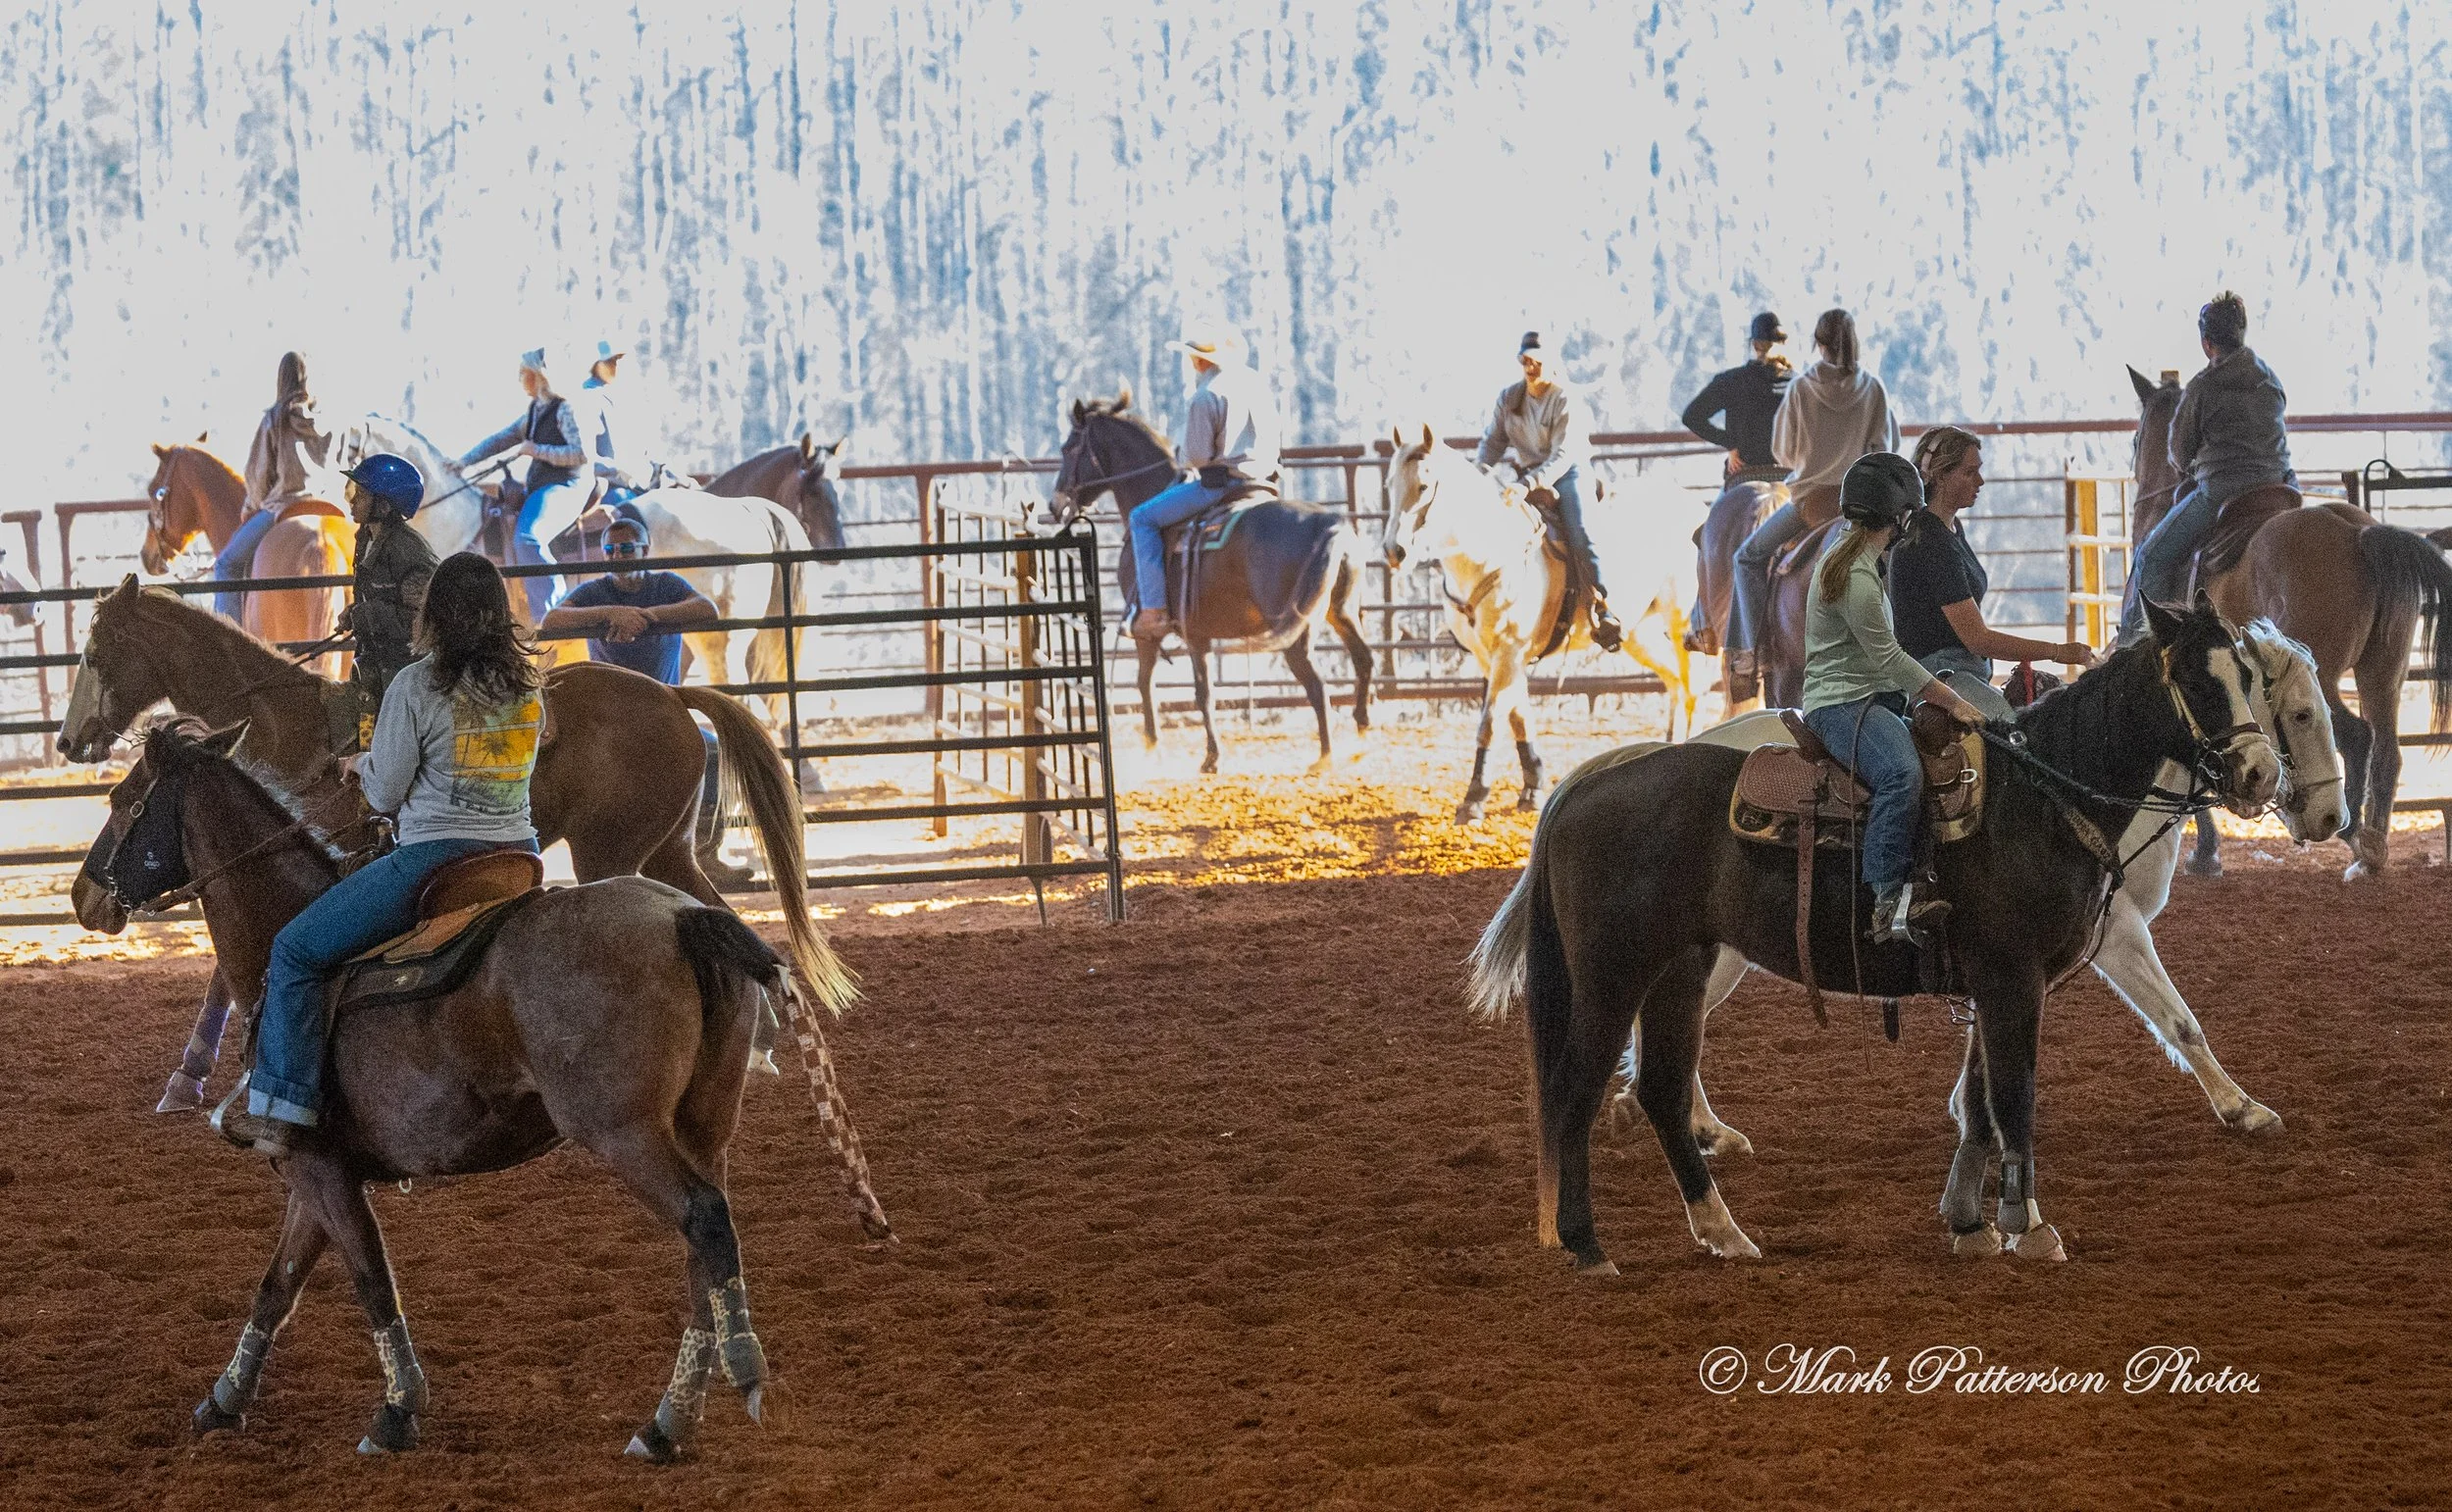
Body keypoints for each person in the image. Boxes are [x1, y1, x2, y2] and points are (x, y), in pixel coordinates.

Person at [223, 552, 545, 1156]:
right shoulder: (527, 687)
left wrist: (358, 765)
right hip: (518, 856)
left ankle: (282, 1106)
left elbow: (384, 791)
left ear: (436, 616)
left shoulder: (415, 685)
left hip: (435, 860)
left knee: (294, 950)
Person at [1800, 453, 1986, 945]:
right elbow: (1891, 659)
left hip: (1864, 697)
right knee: (1901, 773)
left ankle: (1926, 875)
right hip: (1842, 704)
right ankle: (1887, 902)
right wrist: (1952, 700)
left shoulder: (1852, 558)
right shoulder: (1857, 578)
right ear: (1901, 517)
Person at [537, 518, 745, 886]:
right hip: (608, 715)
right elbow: (553, 619)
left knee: (711, 752)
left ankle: (705, 850)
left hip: (663, 710)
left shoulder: (665, 584)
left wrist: (647, 616)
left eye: (627, 549)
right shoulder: (596, 592)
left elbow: (706, 609)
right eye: (611, 550)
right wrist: (610, 613)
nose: (618, 556)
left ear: (645, 550)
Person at [1729, 309, 1899, 699]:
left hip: (1812, 504)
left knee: (1748, 558)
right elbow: (1886, 448)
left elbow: (1783, 452)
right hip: (1861, 507)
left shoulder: (1802, 388)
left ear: (1818, 343)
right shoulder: (1873, 389)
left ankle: (1754, 654)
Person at [2119, 291, 2295, 645]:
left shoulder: (2202, 386)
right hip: (2280, 488)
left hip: (2222, 493)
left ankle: (2132, 650)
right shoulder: (2269, 378)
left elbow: (2178, 456)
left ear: (2206, 342)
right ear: (2242, 332)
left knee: (2151, 557)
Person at [1888, 426, 2096, 723]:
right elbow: (1977, 639)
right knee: (2012, 734)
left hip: (1962, 671)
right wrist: (2057, 651)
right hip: (1937, 676)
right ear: (1942, 475)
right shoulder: (1931, 542)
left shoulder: (1949, 529)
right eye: (1970, 472)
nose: (1980, 480)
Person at [1126, 324, 1282, 639]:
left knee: (1141, 518)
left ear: (1198, 362)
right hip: (1265, 482)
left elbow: (1196, 457)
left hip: (1221, 486)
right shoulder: (1253, 383)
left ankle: (1153, 611)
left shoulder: (1205, 396)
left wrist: (1186, 456)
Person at [1477, 330, 1621, 650]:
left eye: (1537, 361)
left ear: (1551, 363)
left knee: (1580, 528)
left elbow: (1562, 455)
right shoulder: (1509, 399)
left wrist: (1525, 485)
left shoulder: (1563, 398)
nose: (1531, 368)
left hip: (1568, 472)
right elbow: (1493, 442)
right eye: (1525, 361)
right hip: (1528, 474)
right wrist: (1479, 475)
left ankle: (1601, 604)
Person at [1681, 311, 1795, 658]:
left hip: (1744, 473)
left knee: (1706, 537)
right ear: (1782, 344)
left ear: (1754, 344)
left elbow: (1692, 415)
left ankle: (1701, 621)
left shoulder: (1732, 381)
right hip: (1790, 476)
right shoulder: (1799, 385)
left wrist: (1730, 442)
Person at [462, 347, 591, 623]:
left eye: (524, 373)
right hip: (541, 486)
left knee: (529, 536)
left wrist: (537, 450)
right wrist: (462, 463)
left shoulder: (565, 408)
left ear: (539, 375)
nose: (521, 378)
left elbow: (582, 454)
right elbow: (501, 439)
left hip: (566, 485)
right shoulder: (536, 409)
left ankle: (551, 614)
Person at [215, 352, 334, 622]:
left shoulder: (275, 419)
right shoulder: (326, 419)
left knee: (227, 565)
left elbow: (259, 476)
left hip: (284, 506)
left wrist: (250, 508)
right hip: (326, 507)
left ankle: (226, 638)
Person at [339, 452, 438, 723]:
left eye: (361, 493)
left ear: (383, 506)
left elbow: (423, 619)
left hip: (405, 673)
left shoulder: (406, 550)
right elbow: (383, 598)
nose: (353, 500)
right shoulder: (366, 539)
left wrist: (367, 614)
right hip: (379, 666)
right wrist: (355, 612)